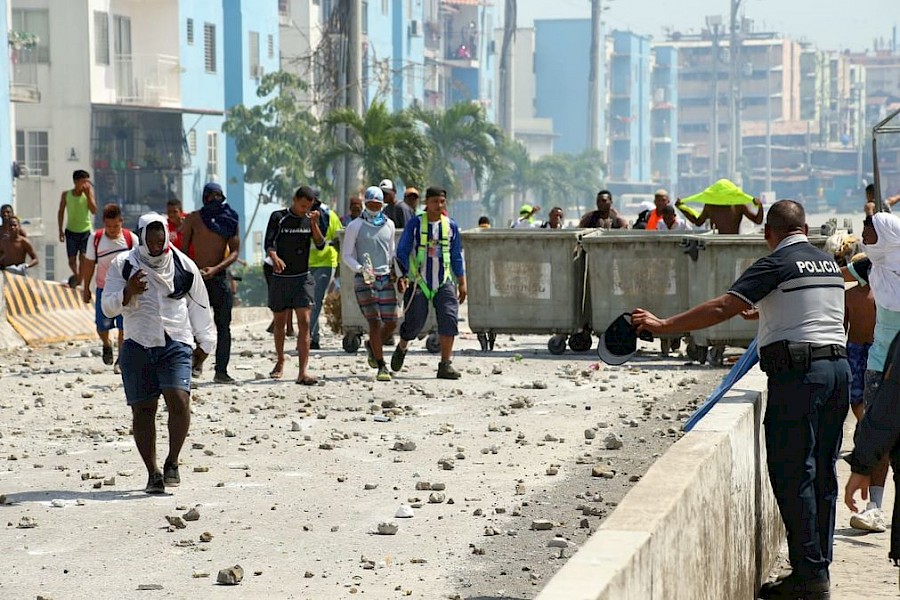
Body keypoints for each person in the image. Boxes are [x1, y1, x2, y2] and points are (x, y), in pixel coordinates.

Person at [632, 200, 848, 600]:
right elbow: (809, 312)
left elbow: (721, 307)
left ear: (770, 232)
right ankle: (818, 567)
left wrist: (663, 325)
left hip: (800, 378)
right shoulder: (828, 265)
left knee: (792, 472)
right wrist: (767, 313)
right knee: (822, 474)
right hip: (837, 372)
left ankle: (809, 578)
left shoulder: (775, 264)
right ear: (804, 227)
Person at [101, 213, 216, 494]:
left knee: (179, 401)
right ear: (141, 236)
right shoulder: (123, 264)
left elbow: (199, 306)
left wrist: (206, 344)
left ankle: (172, 461)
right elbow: (107, 308)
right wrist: (127, 293)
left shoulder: (183, 266)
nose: (156, 242)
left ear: (166, 235)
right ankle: (152, 473)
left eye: (160, 235)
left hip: (175, 342)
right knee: (143, 410)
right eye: (150, 236)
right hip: (137, 343)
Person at [840, 214, 900, 532]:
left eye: (870, 232)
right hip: (878, 365)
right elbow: (839, 274)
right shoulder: (872, 267)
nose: (864, 237)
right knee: (878, 437)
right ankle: (874, 507)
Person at [393, 187, 467, 380]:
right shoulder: (415, 225)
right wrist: (402, 276)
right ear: (427, 203)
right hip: (419, 281)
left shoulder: (451, 226)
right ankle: (402, 346)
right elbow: (402, 251)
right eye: (435, 202)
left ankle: (445, 364)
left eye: (442, 202)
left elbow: (456, 255)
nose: (439, 206)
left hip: (444, 282)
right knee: (415, 322)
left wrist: (462, 282)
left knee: (449, 319)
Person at [264, 185, 326, 384]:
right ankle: (281, 360)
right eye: (301, 206)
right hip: (281, 277)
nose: (304, 210)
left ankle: (303, 371)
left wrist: (314, 223)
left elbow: (320, 244)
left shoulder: (312, 218)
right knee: (280, 323)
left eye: (308, 206)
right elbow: (269, 243)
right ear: (294, 200)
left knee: (305, 322)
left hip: (302, 277)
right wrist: (274, 257)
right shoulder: (278, 217)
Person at [181, 183, 240, 384]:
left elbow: (234, 252)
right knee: (193, 326)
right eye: (211, 195)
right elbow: (182, 249)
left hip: (220, 278)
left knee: (224, 326)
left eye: (218, 195)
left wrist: (215, 269)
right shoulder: (194, 218)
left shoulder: (230, 218)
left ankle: (221, 370)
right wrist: (193, 272)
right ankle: (194, 365)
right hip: (197, 280)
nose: (214, 199)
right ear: (205, 197)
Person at [342, 186, 397, 382]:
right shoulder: (355, 226)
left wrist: (398, 273)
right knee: (374, 322)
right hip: (365, 279)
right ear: (366, 202)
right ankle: (381, 364)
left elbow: (391, 252)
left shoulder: (389, 225)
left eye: (378, 204)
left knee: (391, 321)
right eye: (371, 204)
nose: (374, 208)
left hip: (385, 277)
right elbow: (347, 255)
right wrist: (360, 269)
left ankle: (372, 346)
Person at [81, 203, 139, 372]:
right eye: (108, 226)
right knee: (102, 325)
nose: (112, 230)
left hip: (125, 289)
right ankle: (107, 344)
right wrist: (86, 288)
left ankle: (121, 360)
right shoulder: (96, 238)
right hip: (103, 289)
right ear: (103, 223)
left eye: (116, 226)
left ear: (122, 221)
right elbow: (89, 264)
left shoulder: (130, 239)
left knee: (123, 326)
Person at [308, 192, 343, 350]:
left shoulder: (329, 216)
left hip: (325, 262)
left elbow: (339, 240)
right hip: (307, 263)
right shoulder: (304, 214)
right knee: (308, 302)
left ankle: (311, 337)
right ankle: (311, 335)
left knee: (315, 301)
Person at [57, 169, 97, 288]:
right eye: (83, 181)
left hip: (85, 231)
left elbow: (94, 210)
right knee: (72, 260)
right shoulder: (66, 195)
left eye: (87, 182)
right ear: (76, 181)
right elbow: (61, 212)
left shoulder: (88, 194)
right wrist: (60, 230)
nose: (85, 185)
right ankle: (77, 276)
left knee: (84, 258)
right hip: (71, 231)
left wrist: (88, 195)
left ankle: (80, 281)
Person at [674, 195, 763, 234]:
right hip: (715, 242)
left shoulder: (738, 205)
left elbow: (758, 221)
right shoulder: (710, 205)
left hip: (733, 242)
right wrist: (682, 208)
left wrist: (760, 205)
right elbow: (698, 222)